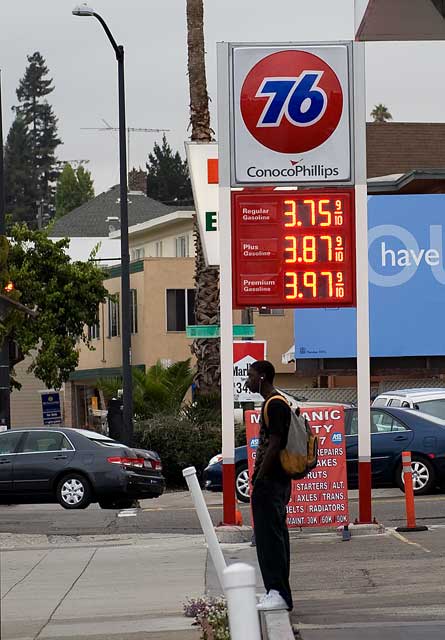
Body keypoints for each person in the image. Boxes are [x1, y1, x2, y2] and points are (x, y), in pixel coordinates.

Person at [246, 360, 293, 612]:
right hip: (276, 480)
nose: (248, 380)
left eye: (251, 375)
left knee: (270, 539)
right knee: (274, 536)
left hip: (272, 481)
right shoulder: (275, 402)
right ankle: (275, 591)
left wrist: (260, 477)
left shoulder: (274, 404)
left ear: (262, 376)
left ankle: (278, 592)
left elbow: (275, 443)